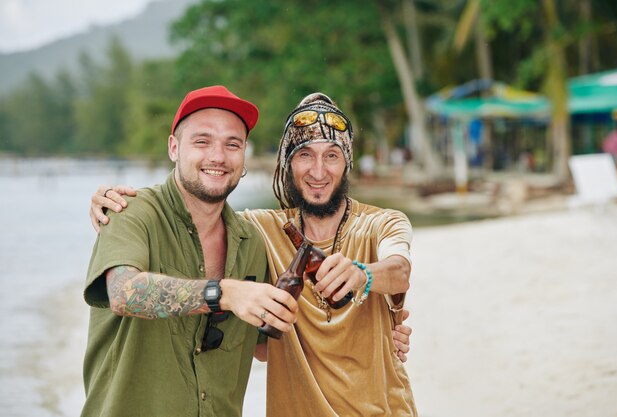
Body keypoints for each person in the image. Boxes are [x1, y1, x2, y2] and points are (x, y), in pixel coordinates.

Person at [92, 93, 417, 416]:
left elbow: (399, 269)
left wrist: (364, 277)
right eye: (305, 154)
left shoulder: (377, 222)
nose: (319, 171)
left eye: (332, 155)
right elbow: (123, 291)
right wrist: (106, 204)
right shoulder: (259, 231)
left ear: (347, 162)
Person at [81, 85, 302, 417]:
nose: (218, 156)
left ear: (244, 155)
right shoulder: (129, 211)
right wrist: (223, 293)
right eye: (202, 141)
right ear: (174, 148)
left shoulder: (252, 242)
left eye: (232, 144)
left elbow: (265, 347)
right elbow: (123, 293)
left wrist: (378, 329)